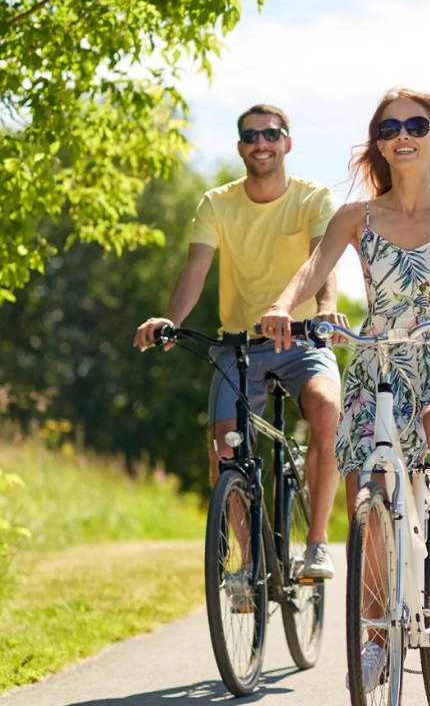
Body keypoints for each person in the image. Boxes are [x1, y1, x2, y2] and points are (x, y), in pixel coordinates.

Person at [261, 88, 430, 674]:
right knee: (367, 490)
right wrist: (280, 307)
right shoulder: (357, 217)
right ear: (379, 142)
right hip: (377, 360)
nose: (403, 134)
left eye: (416, 125)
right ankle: (374, 641)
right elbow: (311, 268)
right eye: (389, 126)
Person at [133, 104, 346, 580]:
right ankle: (248, 567)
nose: (261, 143)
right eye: (250, 136)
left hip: (302, 339)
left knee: (328, 410)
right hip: (238, 347)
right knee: (225, 448)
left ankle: (316, 544)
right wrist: (170, 319)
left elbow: (322, 264)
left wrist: (325, 311)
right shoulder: (217, 203)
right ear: (240, 148)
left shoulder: (313, 199)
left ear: (286, 142)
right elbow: (195, 269)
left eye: (271, 134)